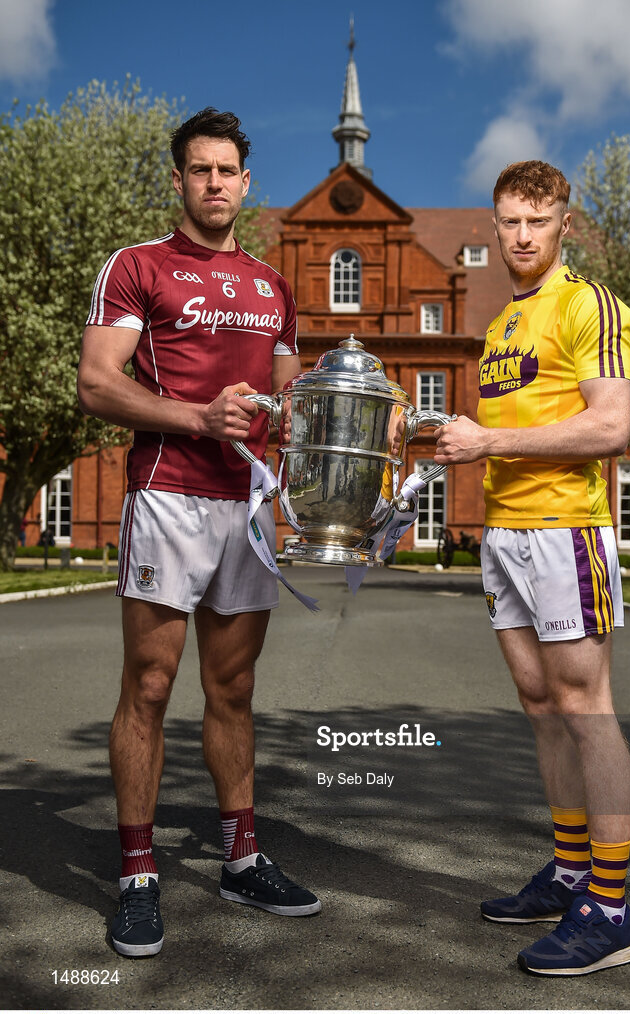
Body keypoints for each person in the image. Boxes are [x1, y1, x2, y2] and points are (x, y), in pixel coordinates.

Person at [77, 107, 320, 959]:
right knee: (148, 685)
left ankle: (240, 857)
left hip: (246, 506)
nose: (215, 183)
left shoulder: (270, 285)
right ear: (178, 179)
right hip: (169, 494)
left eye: (229, 171)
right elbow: (98, 386)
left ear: (246, 184)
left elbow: (290, 407)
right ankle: (139, 874)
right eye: (200, 169)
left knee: (234, 689)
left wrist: (341, 423)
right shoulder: (139, 267)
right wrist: (195, 416)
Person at [434, 161, 630, 977]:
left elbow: (610, 427)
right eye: (509, 221)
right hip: (506, 534)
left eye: (537, 221)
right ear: (494, 224)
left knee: (586, 705)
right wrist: (450, 434)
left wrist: (488, 442)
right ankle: (568, 872)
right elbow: (508, 424)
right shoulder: (503, 325)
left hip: (566, 531)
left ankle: (612, 908)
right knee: (539, 701)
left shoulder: (588, 304)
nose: (522, 236)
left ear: (565, 225)